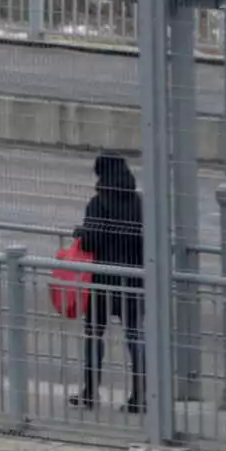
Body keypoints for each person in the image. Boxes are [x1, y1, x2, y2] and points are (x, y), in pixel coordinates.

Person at [71, 151, 146, 413]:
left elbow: (92, 240)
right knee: (136, 337)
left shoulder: (98, 202)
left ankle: (90, 392)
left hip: (103, 280)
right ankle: (141, 396)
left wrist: (81, 233)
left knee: (94, 335)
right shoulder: (139, 203)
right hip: (135, 280)